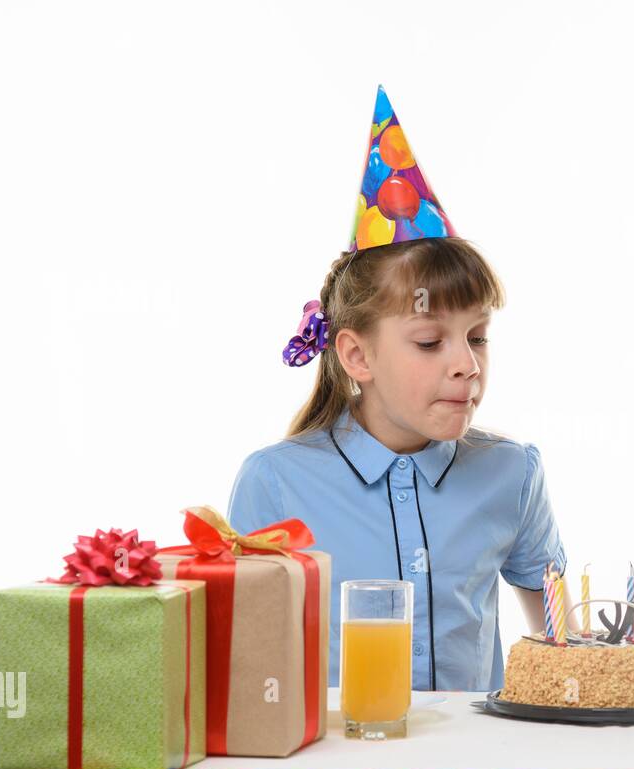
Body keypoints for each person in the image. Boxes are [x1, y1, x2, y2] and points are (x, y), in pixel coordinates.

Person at [229, 87, 565, 691]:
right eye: (431, 342)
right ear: (357, 354)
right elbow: (246, 672)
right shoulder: (275, 485)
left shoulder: (512, 474)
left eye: (478, 337)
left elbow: (564, 649)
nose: (467, 365)